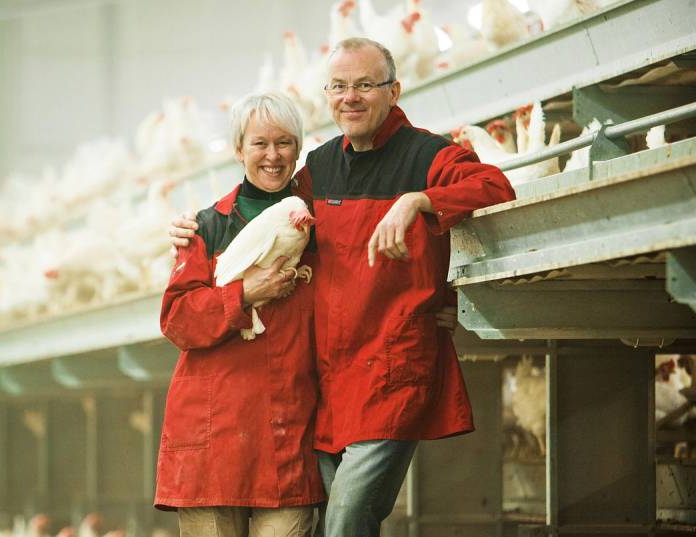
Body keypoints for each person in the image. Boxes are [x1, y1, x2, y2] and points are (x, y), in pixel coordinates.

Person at [170, 37, 516, 536]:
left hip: (392, 371)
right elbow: (266, 208)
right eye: (338, 86)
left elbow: (495, 187)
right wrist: (192, 226)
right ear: (326, 95)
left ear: (393, 91)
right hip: (329, 379)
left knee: (347, 517)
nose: (349, 97)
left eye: (364, 86)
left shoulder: (427, 154)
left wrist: (417, 200)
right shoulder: (322, 167)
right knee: (333, 517)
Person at [154, 92, 324, 536]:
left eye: (285, 143)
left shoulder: (317, 225)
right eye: (259, 144)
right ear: (238, 150)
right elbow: (177, 319)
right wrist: (244, 293)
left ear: (299, 148)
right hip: (215, 440)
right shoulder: (206, 227)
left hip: (287, 436)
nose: (273, 156)